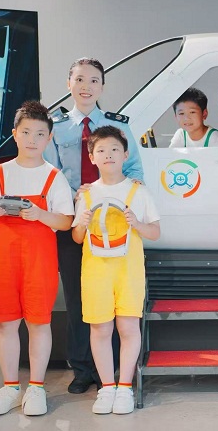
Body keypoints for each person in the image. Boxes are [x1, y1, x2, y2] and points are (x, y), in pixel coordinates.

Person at [43, 57, 145, 394]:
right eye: (79, 80)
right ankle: (82, 369)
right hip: (75, 223)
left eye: (94, 81)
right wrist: (78, 199)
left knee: (115, 303)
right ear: (69, 84)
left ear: (102, 86)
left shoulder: (117, 127)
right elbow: (53, 175)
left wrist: (112, 199)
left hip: (113, 226)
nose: (86, 87)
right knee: (78, 300)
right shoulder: (57, 126)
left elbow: (135, 172)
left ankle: (111, 371)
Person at [0, 101, 74, 416]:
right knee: (5, 323)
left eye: (40, 134)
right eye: (26, 132)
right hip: (3, 261)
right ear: (15, 133)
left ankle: (37, 388)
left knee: (39, 322)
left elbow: (65, 222)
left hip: (39, 261)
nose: (32, 139)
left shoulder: (54, 177)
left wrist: (40, 214)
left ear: (49, 138)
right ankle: (10, 387)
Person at [72, 125, 160, 414]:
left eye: (114, 149)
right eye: (101, 150)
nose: (108, 154)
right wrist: (82, 223)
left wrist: (137, 223)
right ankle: (106, 388)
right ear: (92, 157)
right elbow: (76, 237)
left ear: (125, 154)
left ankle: (124, 388)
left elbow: (155, 232)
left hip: (128, 271)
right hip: (96, 271)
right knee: (99, 328)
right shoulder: (86, 194)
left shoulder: (139, 191)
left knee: (128, 327)